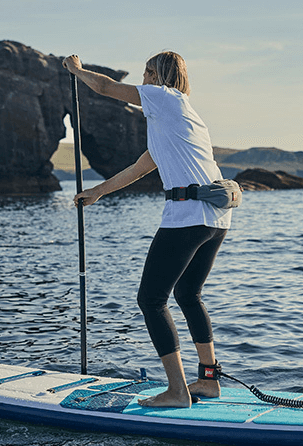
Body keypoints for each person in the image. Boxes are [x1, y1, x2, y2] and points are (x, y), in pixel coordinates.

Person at [64, 52, 232, 408]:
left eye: (146, 72)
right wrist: (98, 191)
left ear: (157, 75)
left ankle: (176, 391)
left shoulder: (164, 97)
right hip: (215, 220)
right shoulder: (180, 115)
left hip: (187, 217)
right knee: (188, 295)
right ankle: (208, 381)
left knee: (151, 300)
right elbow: (142, 166)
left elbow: (106, 87)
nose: (142, 78)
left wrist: (76, 71)